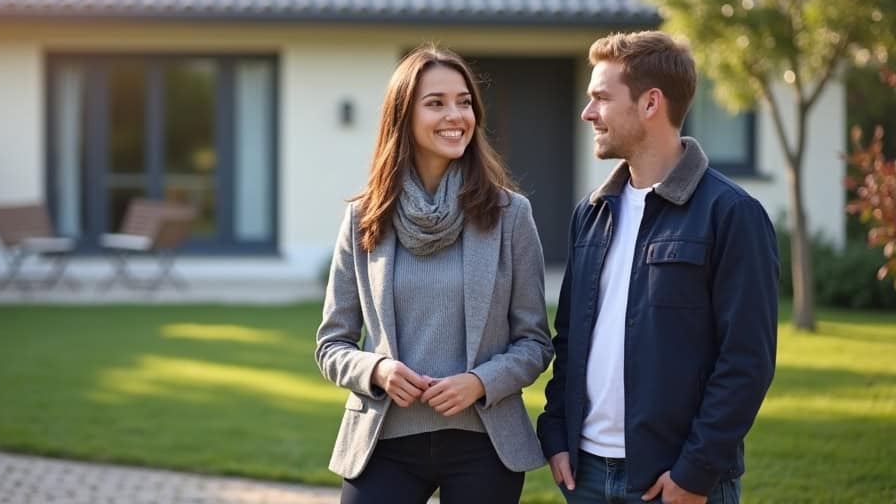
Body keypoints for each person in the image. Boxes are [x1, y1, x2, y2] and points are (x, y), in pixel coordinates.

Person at [536, 31, 778, 504]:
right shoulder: (593, 212)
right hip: (584, 477)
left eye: (601, 99)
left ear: (651, 103)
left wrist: (695, 472)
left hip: (672, 483)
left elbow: (747, 362)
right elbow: (570, 336)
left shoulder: (731, 214)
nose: (588, 113)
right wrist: (556, 432)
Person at [315, 44, 554, 504]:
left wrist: (481, 382)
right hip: (383, 442)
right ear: (403, 116)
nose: (456, 115)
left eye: (464, 101)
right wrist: (377, 369)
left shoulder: (511, 215)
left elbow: (535, 342)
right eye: (436, 103)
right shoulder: (364, 217)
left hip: (485, 443)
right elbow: (331, 345)